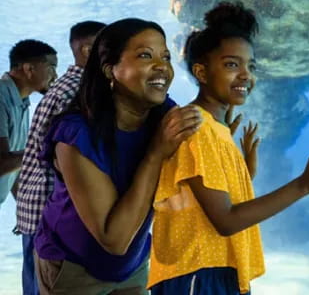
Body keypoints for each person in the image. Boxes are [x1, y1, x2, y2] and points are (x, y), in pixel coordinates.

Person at [147, 2, 309, 295]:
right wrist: (305, 184)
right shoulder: (197, 128)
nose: (246, 75)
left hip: (213, 270)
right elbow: (225, 220)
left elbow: (208, 202)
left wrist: (245, 171)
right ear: (202, 72)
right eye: (232, 64)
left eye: (251, 66)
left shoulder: (216, 128)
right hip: (198, 274)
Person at [33, 18, 202, 294]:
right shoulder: (75, 135)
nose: (162, 66)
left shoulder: (161, 114)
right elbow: (113, 239)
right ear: (111, 70)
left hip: (132, 264)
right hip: (74, 267)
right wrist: (156, 152)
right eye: (145, 55)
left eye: (166, 56)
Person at [16, 21, 106, 295]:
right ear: (89, 50)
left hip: (36, 208)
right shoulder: (78, 90)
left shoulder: (70, 85)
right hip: (48, 210)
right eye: (112, 47)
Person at [0, 39, 58, 208]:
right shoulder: (2, 98)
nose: (55, 76)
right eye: (52, 67)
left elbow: (14, 166)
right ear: (28, 69)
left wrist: (27, 211)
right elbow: (2, 163)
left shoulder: (21, 101)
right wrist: (48, 149)